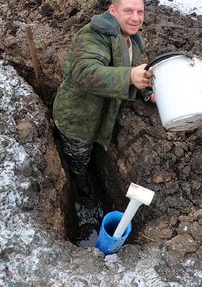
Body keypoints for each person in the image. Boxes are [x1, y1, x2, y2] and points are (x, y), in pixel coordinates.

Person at [52, 0, 155, 197]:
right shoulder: (93, 35)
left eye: (140, 12)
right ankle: (79, 179)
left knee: (92, 150)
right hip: (76, 119)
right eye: (128, 11)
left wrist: (148, 93)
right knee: (79, 155)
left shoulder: (131, 40)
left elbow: (136, 71)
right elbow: (85, 73)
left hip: (101, 117)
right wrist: (129, 76)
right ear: (113, 11)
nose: (135, 18)